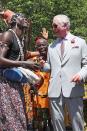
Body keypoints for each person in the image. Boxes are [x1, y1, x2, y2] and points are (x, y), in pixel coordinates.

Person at [40, 14, 87, 131]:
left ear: (65, 25)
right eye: (52, 26)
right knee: (56, 123)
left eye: (55, 26)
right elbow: (50, 67)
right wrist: (43, 65)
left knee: (77, 123)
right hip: (54, 90)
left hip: (73, 88)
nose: (53, 29)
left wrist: (81, 75)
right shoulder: (51, 46)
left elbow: (86, 65)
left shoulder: (80, 42)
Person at [0, 13, 41, 130]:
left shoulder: (20, 39)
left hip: (15, 81)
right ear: (14, 20)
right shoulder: (8, 35)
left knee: (19, 114)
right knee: (10, 116)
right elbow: (0, 60)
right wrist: (25, 63)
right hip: (4, 83)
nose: (26, 19)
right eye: (22, 17)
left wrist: (30, 67)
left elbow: (18, 60)